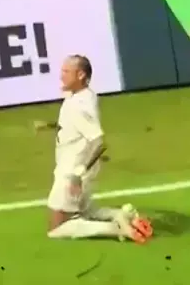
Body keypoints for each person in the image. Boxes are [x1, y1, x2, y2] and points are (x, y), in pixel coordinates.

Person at [43, 55, 153, 242]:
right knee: (86, 211)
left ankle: (116, 229)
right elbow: (77, 126)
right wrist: (53, 125)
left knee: (56, 228)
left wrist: (78, 174)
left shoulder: (78, 106)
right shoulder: (85, 95)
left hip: (72, 170)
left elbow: (99, 142)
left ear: (80, 75)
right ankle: (121, 215)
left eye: (66, 72)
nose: (61, 76)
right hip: (79, 167)